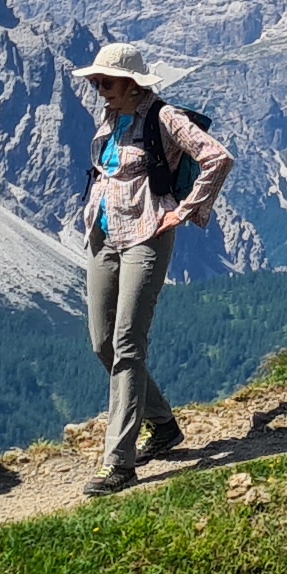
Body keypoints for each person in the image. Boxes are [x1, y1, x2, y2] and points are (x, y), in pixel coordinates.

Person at [75, 41, 233, 495]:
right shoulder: (109, 116)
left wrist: (184, 211)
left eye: (105, 81)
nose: (97, 88)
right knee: (102, 342)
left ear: (130, 83)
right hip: (102, 236)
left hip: (146, 236)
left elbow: (217, 158)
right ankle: (163, 424)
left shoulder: (163, 117)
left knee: (127, 342)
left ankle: (118, 464)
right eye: (95, 81)